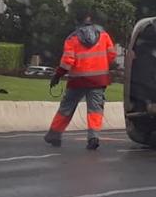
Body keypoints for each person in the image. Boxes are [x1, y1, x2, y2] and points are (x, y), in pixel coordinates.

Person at [44, 8, 117, 150]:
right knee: (95, 109)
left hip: (77, 80)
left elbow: (67, 61)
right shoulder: (104, 35)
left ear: (77, 22)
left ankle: (54, 135)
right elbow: (112, 54)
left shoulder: (72, 38)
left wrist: (58, 75)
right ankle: (93, 137)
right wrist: (102, 65)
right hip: (98, 80)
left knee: (66, 108)